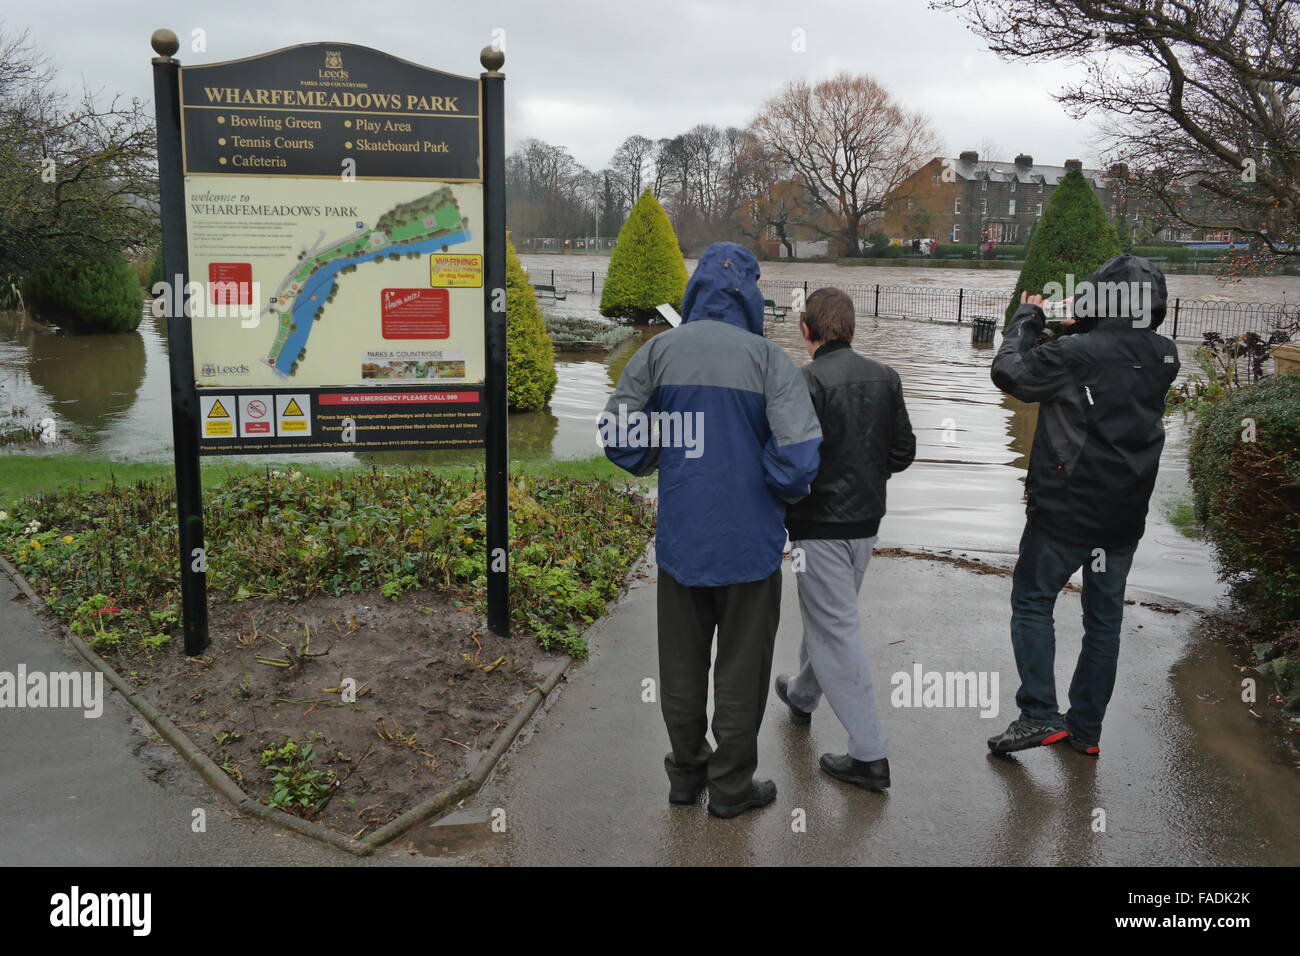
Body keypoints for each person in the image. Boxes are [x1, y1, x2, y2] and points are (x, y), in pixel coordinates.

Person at [600, 242, 822, 818]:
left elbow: (619, 434)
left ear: (695, 288)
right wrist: (763, 480)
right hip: (750, 546)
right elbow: (800, 462)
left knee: (680, 665)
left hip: (681, 542)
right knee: (743, 672)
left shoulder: (658, 353)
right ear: (752, 294)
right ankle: (730, 788)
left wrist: (661, 458)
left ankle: (684, 776)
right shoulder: (772, 361)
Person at [987, 253, 1180, 757]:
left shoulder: (1076, 353)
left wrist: (1028, 320)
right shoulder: (1166, 354)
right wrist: (1083, 326)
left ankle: (1038, 716)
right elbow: (1105, 367)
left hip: (1065, 509)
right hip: (1123, 513)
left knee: (1032, 602)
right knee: (1104, 619)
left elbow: (1010, 375)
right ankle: (1085, 730)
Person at [774, 288, 915, 791]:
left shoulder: (804, 380)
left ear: (807, 331)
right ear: (850, 328)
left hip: (816, 530)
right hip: (866, 524)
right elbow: (902, 453)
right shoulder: (887, 377)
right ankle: (802, 695)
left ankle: (869, 754)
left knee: (835, 627)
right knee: (830, 617)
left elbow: (790, 459)